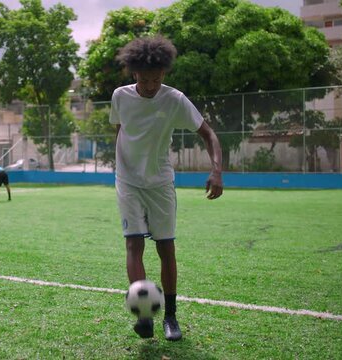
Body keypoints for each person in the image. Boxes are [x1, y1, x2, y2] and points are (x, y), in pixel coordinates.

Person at [110, 36, 223, 341]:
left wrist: (216, 170)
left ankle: (170, 317)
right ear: (134, 74)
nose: (150, 86)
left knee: (166, 248)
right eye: (145, 80)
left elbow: (208, 134)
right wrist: (120, 164)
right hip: (128, 180)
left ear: (164, 74)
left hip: (160, 181)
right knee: (133, 244)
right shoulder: (120, 96)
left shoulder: (174, 99)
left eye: (156, 79)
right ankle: (144, 314)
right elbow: (120, 129)